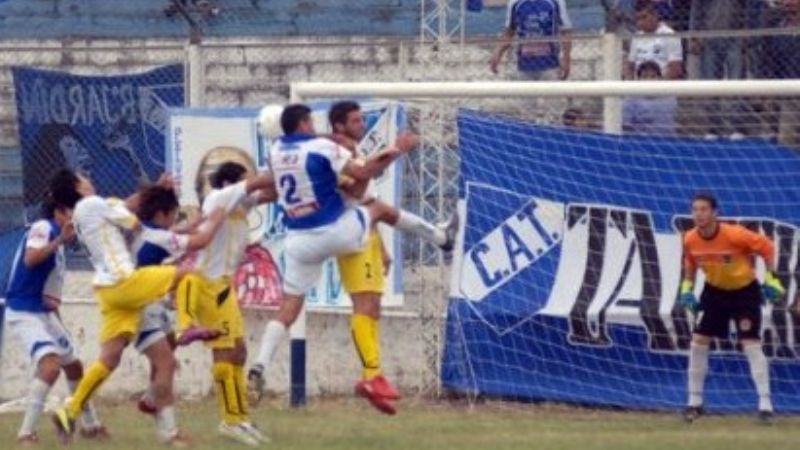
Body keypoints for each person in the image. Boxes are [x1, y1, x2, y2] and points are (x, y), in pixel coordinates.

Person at [247, 104, 458, 415]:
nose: (362, 124)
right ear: (305, 123)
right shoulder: (324, 148)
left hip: (299, 241)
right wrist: (396, 150)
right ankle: (441, 238)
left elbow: (281, 184)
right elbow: (358, 180)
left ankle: (259, 365)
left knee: (290, 309)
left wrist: (247, 193)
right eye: (356, 120)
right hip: (335, 231)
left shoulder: (277, 151)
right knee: (379, 215)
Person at [49, 170, 190, 445]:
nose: (88, 178)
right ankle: (169, 433)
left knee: (109, 358)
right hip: (128, 285)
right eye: (82, 177)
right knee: (166, 359)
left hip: (111, 289)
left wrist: (153, 191)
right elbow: (134, 221)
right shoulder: (94, 204)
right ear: (77, 186)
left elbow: (125, 206)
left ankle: (70, 411)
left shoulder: (86, 212)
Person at [172, 163, 276, 446]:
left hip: (224, 285)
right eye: (245, 178)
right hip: (207, 283)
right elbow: (256, 185)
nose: (250, 182)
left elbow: (272, 193)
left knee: (239, 352)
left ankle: (240, 418)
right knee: (225, 352)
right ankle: (230, 421)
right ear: (230, 183)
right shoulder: (219, 198)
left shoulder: (240, 202)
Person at [4, 172, 105, 444]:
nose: (75, 218)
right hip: (23, 311)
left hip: (43, 313)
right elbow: (31, 258)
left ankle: (91, 426)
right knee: (50, 367)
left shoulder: (58, 241)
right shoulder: (43, 228)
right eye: (72, 211)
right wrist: (60, 239)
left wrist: (58, 323)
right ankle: (26, 434)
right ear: (61, 210)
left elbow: (49, 294)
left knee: (74, 367)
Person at [131, 184, 228, 446]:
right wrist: (218, 217)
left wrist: (190, 225)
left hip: (147, 301)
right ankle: (169, 433)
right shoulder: (158, 237)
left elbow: (172, 234)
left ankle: (151, 399)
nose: (175, 221)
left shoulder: (144, 230)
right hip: (137, 305)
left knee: (169, 346)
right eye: (173, 215)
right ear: (161, 214)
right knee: (167, 364)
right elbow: (201, 241)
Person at [680, 192, 784, 424]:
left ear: (715, 213)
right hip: (714, 292)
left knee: (751, 344)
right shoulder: (690, 238)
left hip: (744, 292)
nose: (699, 214)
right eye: (695, 209)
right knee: (698, 341)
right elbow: (690, 261)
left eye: (704, 209)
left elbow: (767, 247)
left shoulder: (735, 234)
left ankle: (765, 405)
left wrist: (771, 277)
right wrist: (687, 287)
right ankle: (694, 403)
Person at [689, 0, 749, 139]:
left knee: (736, 82)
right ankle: (713, 127)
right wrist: (695, 36)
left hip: (734, 37)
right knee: (710, 83)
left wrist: (747, 30)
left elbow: (748, 7)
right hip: (709, 37)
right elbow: (696, 8)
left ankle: (737, 126)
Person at [490, 0, 573, 80]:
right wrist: (498, 53)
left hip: (551, 64)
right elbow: (509, 32)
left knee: (550, 89)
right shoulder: (515, 3)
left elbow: (565, 31)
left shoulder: (556, 2)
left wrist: (566, 58)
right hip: (523, 64)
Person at [625, 0, 683, 80]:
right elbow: (630, 66)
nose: (640, 22)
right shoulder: (636, 37)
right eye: (638, 19)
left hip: (661, 83)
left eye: (644, 17)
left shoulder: (670, 35)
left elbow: (675, 68)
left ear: (655, 15)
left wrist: (660, 84)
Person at [622, 61, 677, 136]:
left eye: (653, 76)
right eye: (644, 77)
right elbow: (626, 126)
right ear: (638, 79)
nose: (649, 80)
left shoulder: (669, 98)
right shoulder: (630, 99)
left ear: (660, 78)